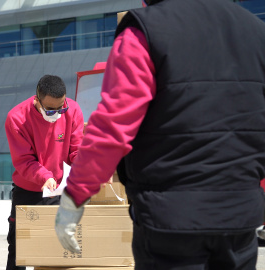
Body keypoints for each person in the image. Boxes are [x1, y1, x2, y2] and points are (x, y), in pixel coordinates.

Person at [54, 0, 265, 269]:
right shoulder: (256, 31)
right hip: (239, 215)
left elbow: (114, 123)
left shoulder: (145, 30)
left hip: (170, 218)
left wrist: (75, 195)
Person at [5, 74, 84, 270]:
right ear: (37, 100)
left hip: (55, 192)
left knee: (52, 251)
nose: (57, 113)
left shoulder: (73, 110)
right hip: (27, 191)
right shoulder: (17, 118)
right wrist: (44, 176)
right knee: (18, 250)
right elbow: (24, 161)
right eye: (50, 109)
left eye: (61, 107)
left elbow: (76, 150)